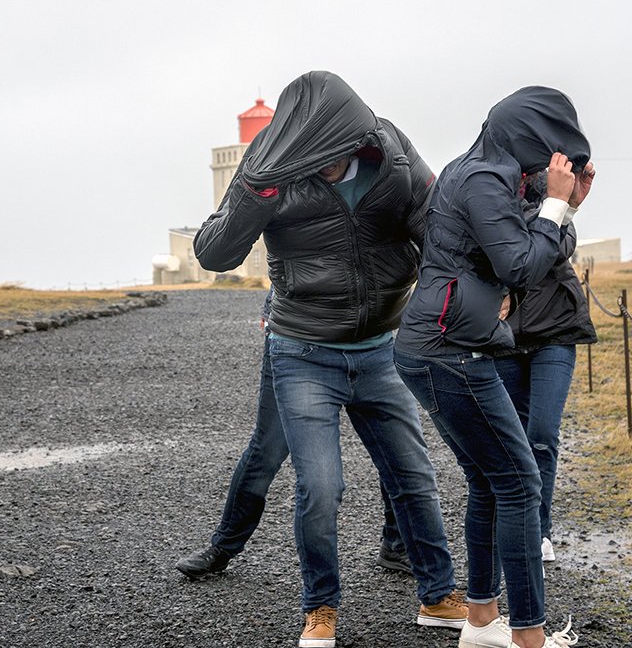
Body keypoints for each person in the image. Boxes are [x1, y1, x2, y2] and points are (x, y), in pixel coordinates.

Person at [192, 71, 465, 648]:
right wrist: (255, 190)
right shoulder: (269, 165)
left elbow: (433, 224)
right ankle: (320, 610)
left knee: (414, 476)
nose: (322, 160)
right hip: (303, 354)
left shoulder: (388, 149)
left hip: (381, 349)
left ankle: (438, 596)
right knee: (319, 487)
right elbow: (215, 252)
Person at [394, 86, 590, 648]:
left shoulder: (489, 172)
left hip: (446, 344)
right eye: (554, 147)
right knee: (521, 482)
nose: (556, 160)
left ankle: (481, 623)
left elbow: (537, 249)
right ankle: (529, 638)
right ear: (532, 137)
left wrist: (566, 206)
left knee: (490, 480)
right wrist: (553, 204)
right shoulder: (484, 179)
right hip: (449, 350)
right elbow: (522, 265)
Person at [175, 290, 412, 580]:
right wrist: (272, 310)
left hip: (370, 346)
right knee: (268, 448)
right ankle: (223, 546)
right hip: (295, 344)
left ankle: (397, 545)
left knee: (396, 451)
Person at [493, 214, 597, 566]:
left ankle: (539, 531)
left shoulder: (553, 195)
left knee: (541, 433)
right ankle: (515, 524)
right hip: (506, 334)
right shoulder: (491, 192)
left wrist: (553, 210)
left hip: (556, 331)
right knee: (512, 436)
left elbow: (562, 244)